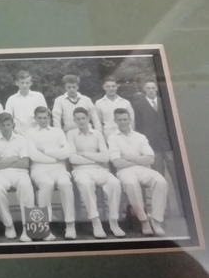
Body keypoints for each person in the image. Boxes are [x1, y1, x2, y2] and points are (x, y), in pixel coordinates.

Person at [108, 108, 168, 237]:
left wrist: (128, 158)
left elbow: (151, 159)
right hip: (125, 171)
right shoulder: (112, 138)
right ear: (115, 121)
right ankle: (144, 220)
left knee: (161, 181)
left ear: (130, 120)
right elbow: (117, 163)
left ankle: (156, 220)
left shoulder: (140, 137)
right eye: (119, 120)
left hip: (144, 169)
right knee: (131, 183)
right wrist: (140, 160)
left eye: (125, 119)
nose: (123, 122)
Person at [67, 108, 125, 238]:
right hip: (80, 170)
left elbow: (105, 157)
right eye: (78, 119)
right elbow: (72, 159)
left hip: (100, 169)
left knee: (114, 183)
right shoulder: (71, 134)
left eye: (83, 118)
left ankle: (114, 221)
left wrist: (85, 154)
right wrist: (95, 157)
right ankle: (96, 221)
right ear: (74, 120)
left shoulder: (97, 134)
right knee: (85, 183)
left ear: (88, 118)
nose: (81, 121)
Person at [133, 79, 182, 214]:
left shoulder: (165, 101)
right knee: (159, 178)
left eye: (153, 88)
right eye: (148, 88)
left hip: (168, 145)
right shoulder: (138, 104)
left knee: (176, 176)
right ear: (144, 90)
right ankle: (164, 210)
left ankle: (183, 208)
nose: (151, 90)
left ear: (156, 89)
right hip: (152, 145)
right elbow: (139, 127)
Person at [25, 107, 75, 240]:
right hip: (39, 169)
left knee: (65, 184)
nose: (42, 120)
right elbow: (33, 155)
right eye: (39, 118)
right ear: (35, 118)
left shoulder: (58, 132)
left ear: (50, 118)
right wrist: (55, 157)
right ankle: (44, 226)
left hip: (59, 169)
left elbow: (66, 153)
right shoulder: (29, 133)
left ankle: (70, 225)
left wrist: (45, 150)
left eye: (45, 118)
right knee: (47, 184)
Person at [0, 113, 36, 242]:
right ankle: (8, 225)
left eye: (8, 124)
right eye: (2, 125)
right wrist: (14, 158)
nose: (6, 128)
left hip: (20, 172)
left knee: (26, 186)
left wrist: (3, 161)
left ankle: (27, 227)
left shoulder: (21, 139)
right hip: (0, 174)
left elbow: (25, 163)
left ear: (13, 124)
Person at [5, 70, 47, 136]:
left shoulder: (38, 96)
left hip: (37, 132)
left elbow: (46, 115)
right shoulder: (11, 99)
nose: (25, 85)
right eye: (22, 83)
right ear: (17, 83)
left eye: (27, 83)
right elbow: (7, 119)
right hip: (18, 133)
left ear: (31, 83)